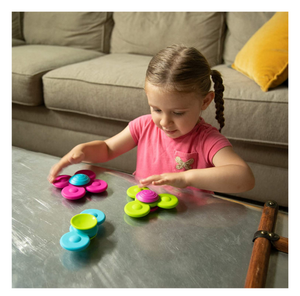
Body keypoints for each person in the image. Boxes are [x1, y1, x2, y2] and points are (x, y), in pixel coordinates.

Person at [48, 44, 255, 194]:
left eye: (178, 113)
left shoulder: (207, 140)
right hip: (143, 210)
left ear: (205, 101)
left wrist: (186, 178)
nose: (165, 122)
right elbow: (108, 149)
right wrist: (83, 150)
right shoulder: (143, 125)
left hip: (191, 221)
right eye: (156, 109)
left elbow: (244, 178)